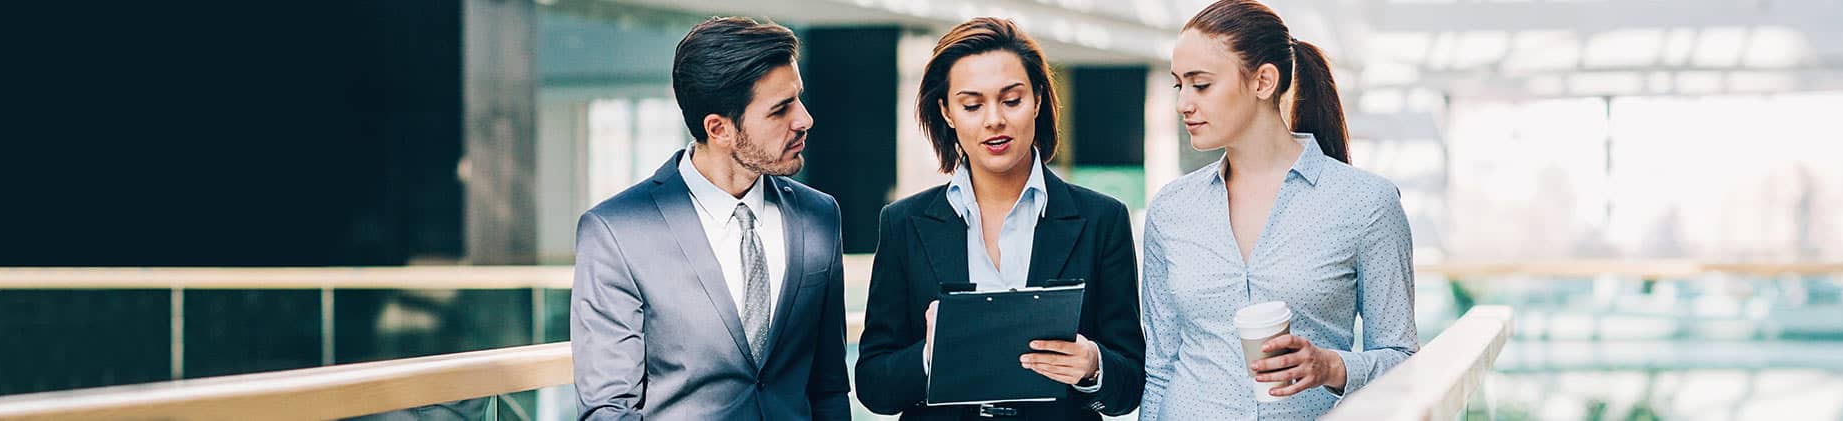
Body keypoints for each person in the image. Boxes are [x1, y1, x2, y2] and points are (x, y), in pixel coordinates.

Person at [853, 17, 1145, 421]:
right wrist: (929, 356)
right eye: (972, 105)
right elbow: (872, 385)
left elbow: (1129, 386)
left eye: (1011, 100)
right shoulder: (904, 223)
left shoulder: (1102, 220)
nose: (994, 120)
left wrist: (1092, 365)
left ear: (1039, 100)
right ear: (947, 112)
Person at [1139, 1, 1419, 419]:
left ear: (1263, 81)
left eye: (1201, 85)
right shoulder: (1171, 209)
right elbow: (1160, 367)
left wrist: (1332, 366)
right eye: (1179, 86)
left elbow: (1403, 360)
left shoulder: (1367, 203)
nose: (1183, 104)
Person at [570, 16, 850, 421]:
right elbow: (607, 409)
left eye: (798, 98)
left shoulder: (819, 217)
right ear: (719, 129)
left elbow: (828, 388)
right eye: (780, 110)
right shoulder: (617, 233)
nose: (804, 119)